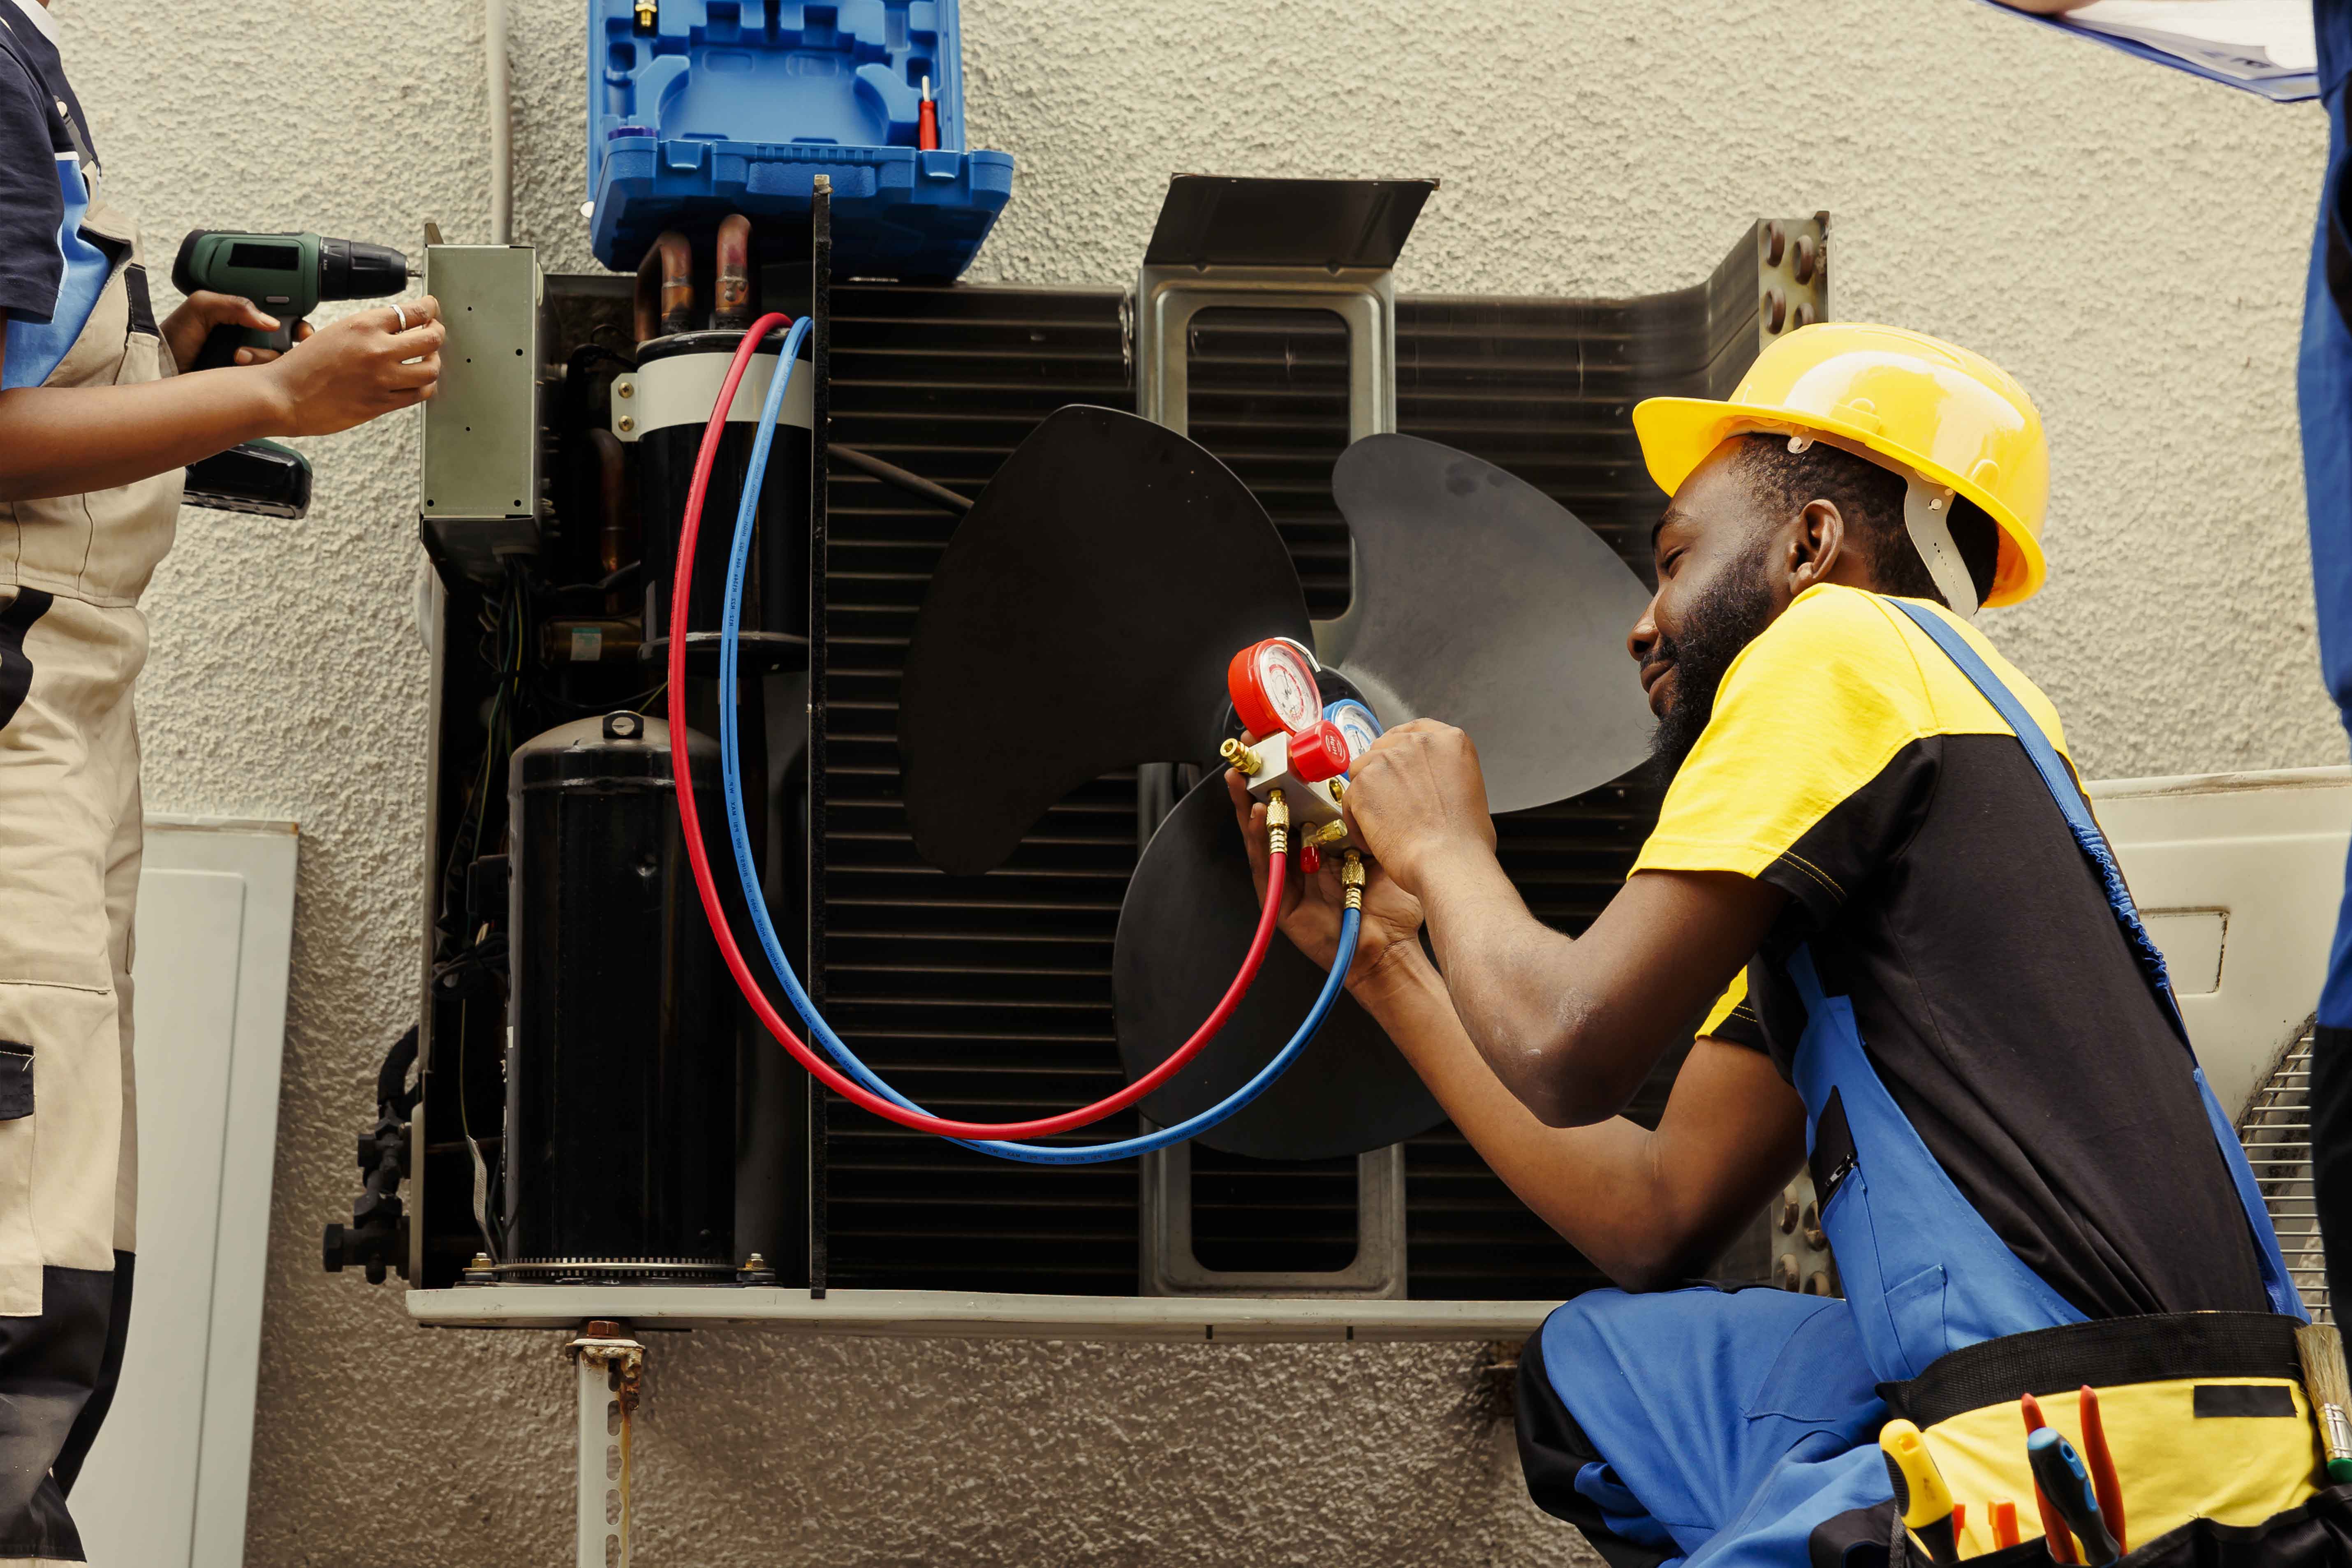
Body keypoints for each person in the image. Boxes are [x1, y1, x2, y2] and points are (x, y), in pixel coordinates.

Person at [1234, 324, 2330, 1563]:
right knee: (1598, 1378)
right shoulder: (1918, 772)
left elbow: (1564, 1043)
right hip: (2218, 1425)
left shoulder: (1839, 649)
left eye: (1676, 561)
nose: (1643, 626)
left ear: (1811, 546)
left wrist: (1445, 848)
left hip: (2114, 1461)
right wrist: (1382, 960)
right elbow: (1655, 1214)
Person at [0, 0, 442, 1555]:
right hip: (7, 712)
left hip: (58, 695)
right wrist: (270, 399)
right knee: (14, 1286)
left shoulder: (18, 48)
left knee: (67, 1234)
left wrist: (165, 365)